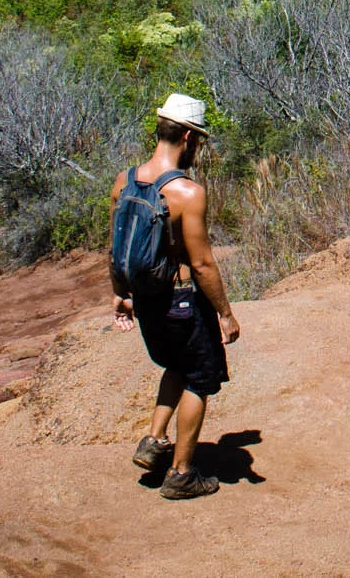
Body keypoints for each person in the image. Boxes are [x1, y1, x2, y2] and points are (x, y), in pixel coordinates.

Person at [111, 93, 241, 500]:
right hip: (181, 302)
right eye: (198, 140)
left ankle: (154, 440)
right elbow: (202, 264)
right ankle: (182, 473)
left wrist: (121, 294)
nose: (197, 147)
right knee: (200, 378)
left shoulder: (125, 180)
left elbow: (115, 244)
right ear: (186, 136)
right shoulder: (186, 192)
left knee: (174, 365)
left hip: (146, 300)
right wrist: (225, 312)